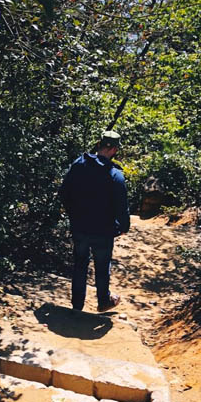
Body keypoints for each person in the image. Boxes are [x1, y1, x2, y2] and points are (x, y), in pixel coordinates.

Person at [58, 130, 130, 313]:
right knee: (102, 266)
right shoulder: (115, 175)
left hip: (80, 227)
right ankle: (103, 301)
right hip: (103, 231)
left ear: (99, 145)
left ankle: (77, 306)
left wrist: (73, 214)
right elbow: (121, 206)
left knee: (80, 263)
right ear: (114, 150)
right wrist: (124, 226)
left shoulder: (79, 165)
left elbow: (64, 193)